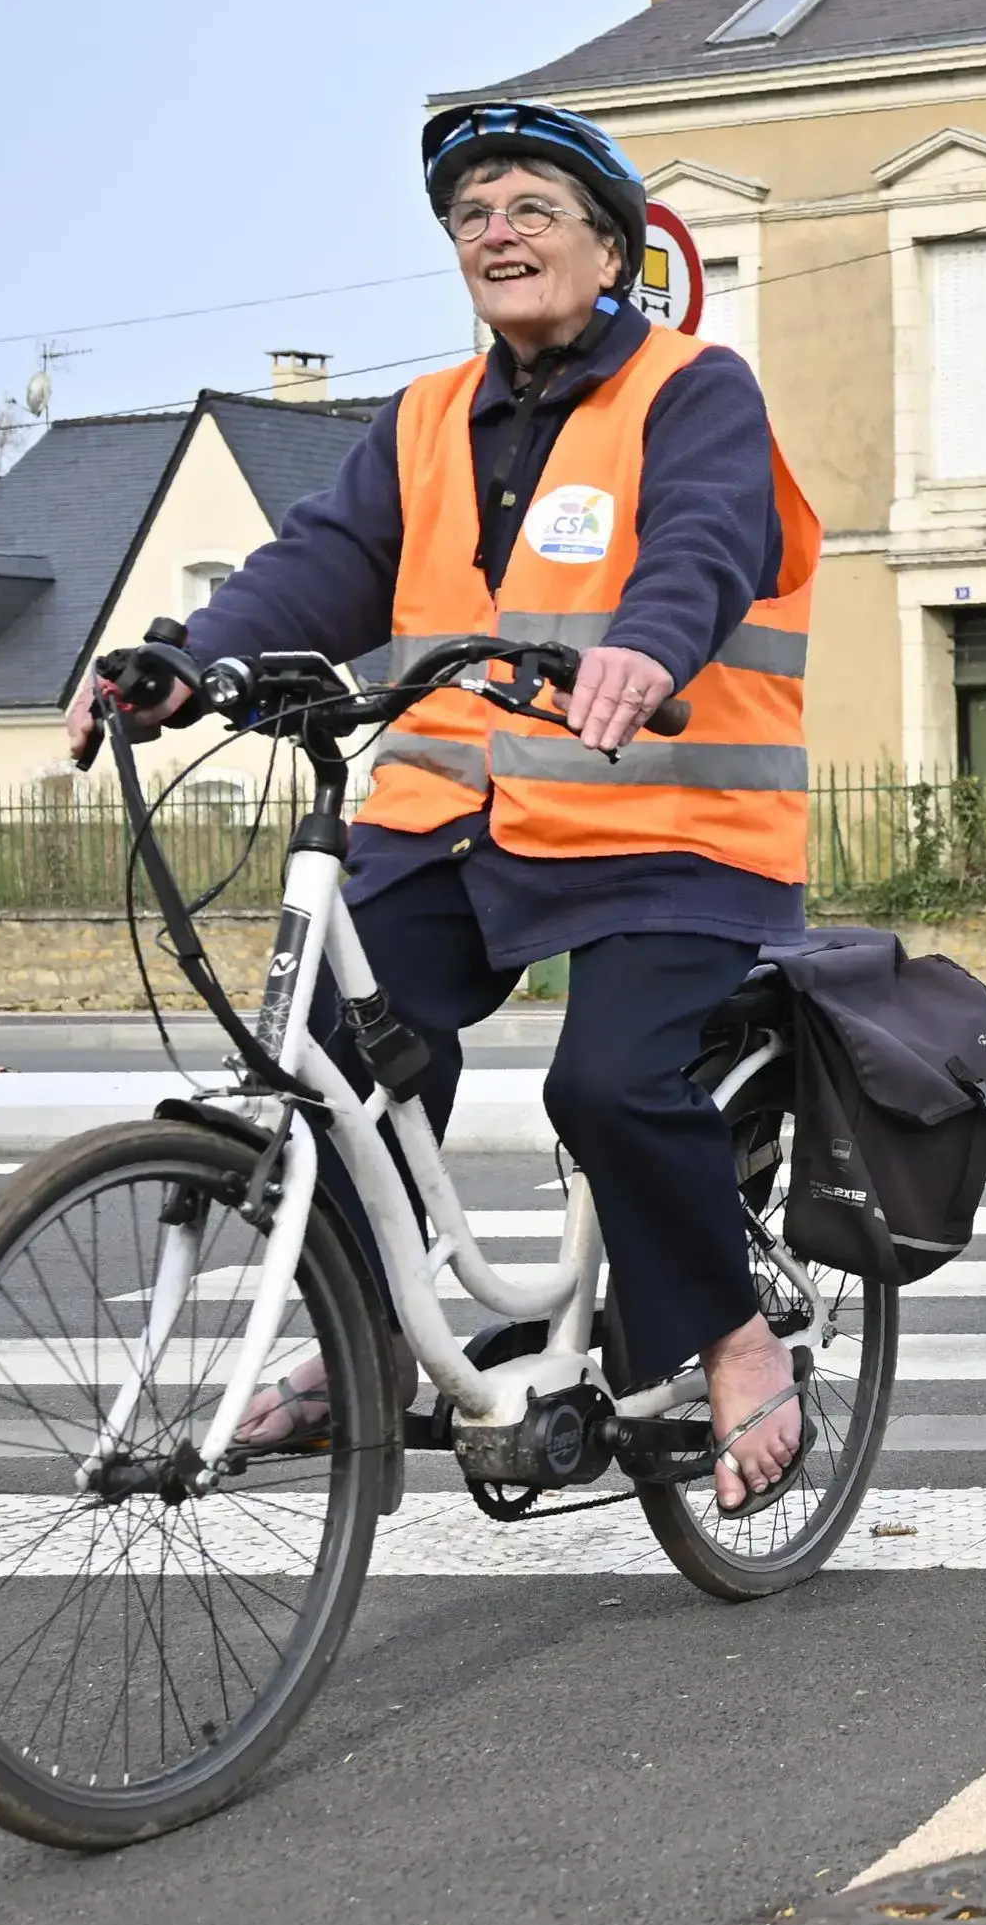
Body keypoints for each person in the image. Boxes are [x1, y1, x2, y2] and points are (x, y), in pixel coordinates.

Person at [73, 98, 826, 1511]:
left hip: (665, 824)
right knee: (336, 1062)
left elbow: (708, 539)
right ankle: (380, 1345)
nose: (498, 233)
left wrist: (650, 644)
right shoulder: (423, 418)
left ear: (614, 248)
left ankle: (729, 1337)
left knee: (606, 1082)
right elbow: (322, 565)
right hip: (455, 818)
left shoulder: (691, 389)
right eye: (472, 216)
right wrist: (186, 662)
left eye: (533, 208)